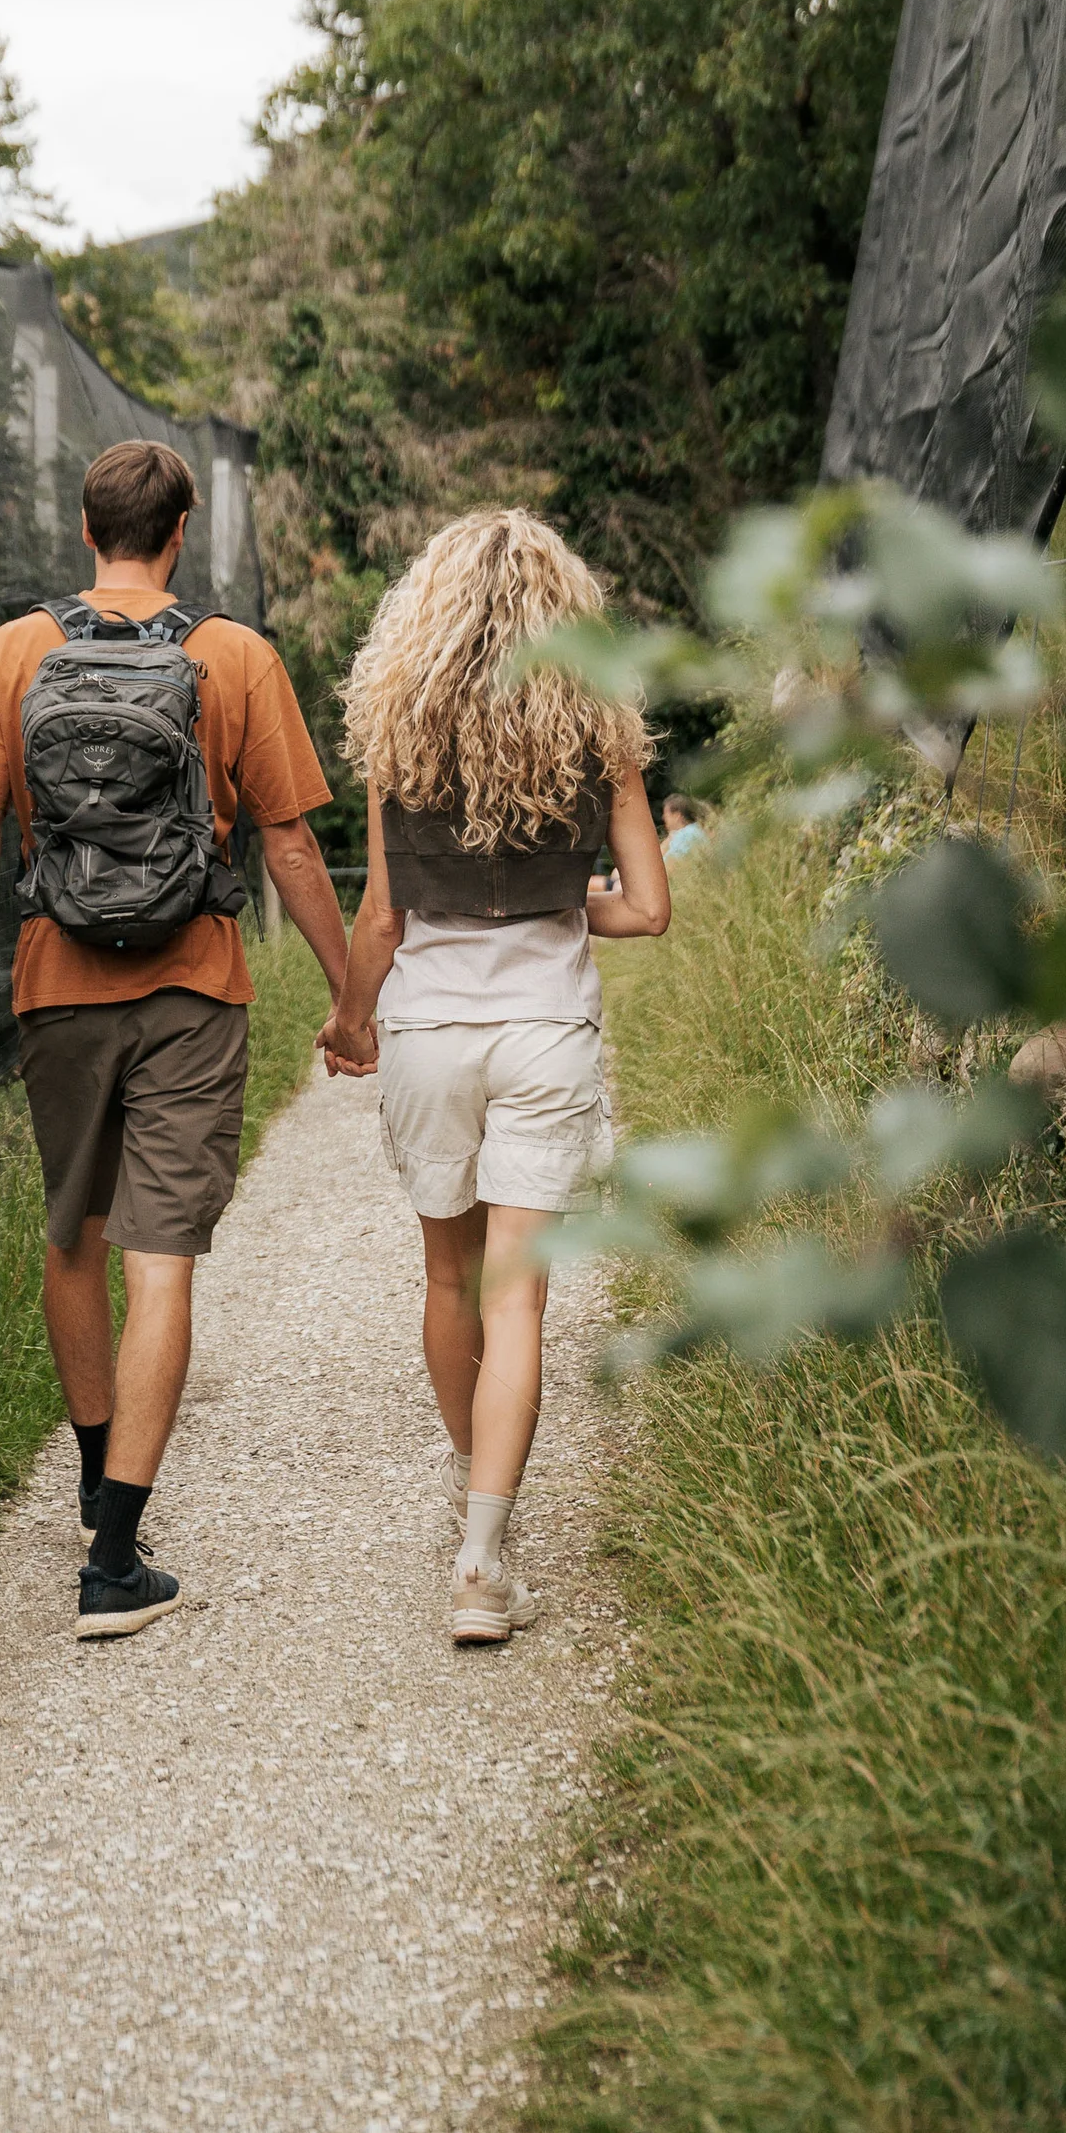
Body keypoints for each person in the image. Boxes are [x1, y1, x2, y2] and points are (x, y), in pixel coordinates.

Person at [0, 439, 348, 1641]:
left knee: (75, 1234)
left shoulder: (14, 651)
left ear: (86, 527)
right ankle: (114, 1553)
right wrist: (350, 993)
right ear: (181, 529)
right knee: (162, 1258)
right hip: (194, 987)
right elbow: (294, 847)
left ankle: (95, 1478)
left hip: (57, 982)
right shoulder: (234, 655)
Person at [317, 510, 669, 1644]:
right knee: (520, 1292)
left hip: (428, 1029)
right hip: (545, 1033)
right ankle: (483, 1549)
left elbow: (381, 914)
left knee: (448, 1281)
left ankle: (480, 1484)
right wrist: (567, 907)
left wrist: (350, 1016)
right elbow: (650, 908)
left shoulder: (400, 734)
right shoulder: (598, 731)